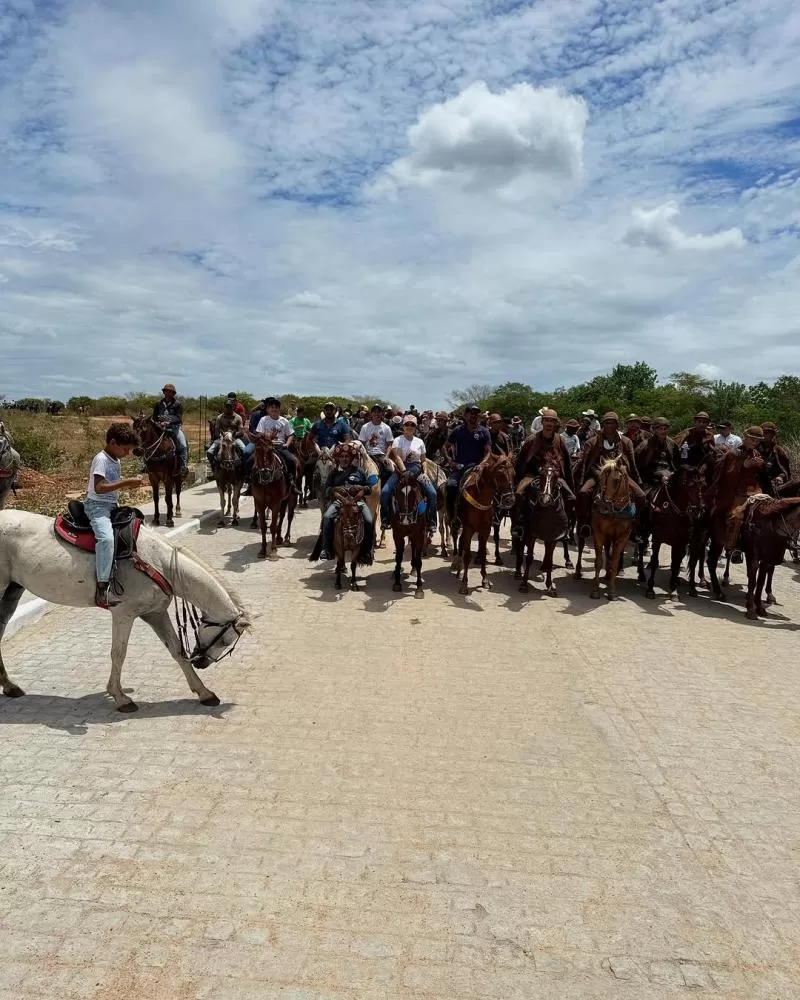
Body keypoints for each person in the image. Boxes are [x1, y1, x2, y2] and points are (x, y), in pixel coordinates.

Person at [84, 423, 146, 609]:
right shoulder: (101, 459)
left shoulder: (115, 460)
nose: (127, 454)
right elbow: (99, 487)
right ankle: (102, 587)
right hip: (97, 506)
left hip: (111, 505)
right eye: (125, 449)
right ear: (113, 443)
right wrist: (126, 483)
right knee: (106, 540)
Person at [706, 426, 774, 556]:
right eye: (752, 440)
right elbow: (727, 474)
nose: (755, 443)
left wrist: (761, 467)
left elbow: (761, 476)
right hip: (737, 492)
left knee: (769, 513)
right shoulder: (733, 453)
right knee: (736, 516)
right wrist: (743, 466)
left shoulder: (756, 454)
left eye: (757, 441)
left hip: (755, 491)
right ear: (745, 438)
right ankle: (732, 546)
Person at [577, 411, 645, 536]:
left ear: (617, 425)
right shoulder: (592, 442)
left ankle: (635, 527)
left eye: (612, 423)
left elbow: (632, 463)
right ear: (603, 425)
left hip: (620, 475)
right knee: (583, 493)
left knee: (641, 496)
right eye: (607, 423)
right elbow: (586, 463)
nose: (609, 426)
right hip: (597, 473)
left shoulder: (626, 442)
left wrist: (637, 479)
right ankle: (585, 523)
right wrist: (587, 477)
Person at [512, 409, 573, 538]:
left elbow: (567, 463)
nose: (549, 423)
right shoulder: (531, 440)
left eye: (552, 421)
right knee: (519, 493)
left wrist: (569, 482)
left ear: (555, 423)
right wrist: (517, 479)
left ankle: (565, 525)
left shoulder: (560, 440)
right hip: (533, 474)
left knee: (571, 497)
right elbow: (521, 461)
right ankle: (520, 522)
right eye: (546, 420)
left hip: (554, 475)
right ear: (542, 422)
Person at [380, 415, 438, 535]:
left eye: (412, 425)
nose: (410, 427)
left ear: (416, 427)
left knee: (432, 493)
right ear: (403, 426)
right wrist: (404, 472)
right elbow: (397, 458)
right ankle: (386, 519)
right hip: (401, 471)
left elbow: (423, 460)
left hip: (416, 470)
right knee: (385, 492)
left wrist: (426, 473)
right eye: (407, 424)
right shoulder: (398, 440)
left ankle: (432, 521)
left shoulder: (419, 441)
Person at [319, 444, 373, 560]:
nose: (344, 459)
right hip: (339, 502)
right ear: (338, 458)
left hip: (357, 502)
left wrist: (361, 489)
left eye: (347, 456)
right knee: (327, 517)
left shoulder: (360, 472)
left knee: (369, 520)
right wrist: (334, 490)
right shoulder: (334, 473)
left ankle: (367, 551)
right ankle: (326, 549)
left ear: (350, 458)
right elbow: (326, 490)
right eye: (342, 456)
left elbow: (369, 488)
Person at [445, 404, 492, 524]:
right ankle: (452, 517)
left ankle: (493, 517)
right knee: (450, 486)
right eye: (471, 413)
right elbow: (445, 447)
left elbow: (488, 453)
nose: (474, 416)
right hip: (460, 467)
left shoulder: (484, 431)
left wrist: (481, 465)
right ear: (465, 416)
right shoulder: (457, 431)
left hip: (477, 468)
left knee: (493, 486)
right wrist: (450, 461)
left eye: (476, 414)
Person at [253, 397, 299, 488]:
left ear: (279, 409)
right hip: (265, 446)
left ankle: (292, 484)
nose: (274, 409)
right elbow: (259, 433)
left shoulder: (284, 421)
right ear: (268, 409)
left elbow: (291, 434)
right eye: (272, 407)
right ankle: (251, 484)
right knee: (251, 461)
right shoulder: (263, 420)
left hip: (280, 446)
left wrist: (287, 444)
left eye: (276, 407)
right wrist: (266, 436)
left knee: (291, 461)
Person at [153, 383, 188, 472]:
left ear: (173, 393)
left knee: (182, 445)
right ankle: (146, 464)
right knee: (149, 442)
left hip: (174, 428)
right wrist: (157, 423)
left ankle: (183, 466)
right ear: (164, 392)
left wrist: (169, 422)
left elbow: (178, 418)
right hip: (161, 429)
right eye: (166, 391)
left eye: (170, 392)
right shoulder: (159, 404)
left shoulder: (177, 404)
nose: (167, 394)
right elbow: (154, 416)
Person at [358, 404, 394, 483]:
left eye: (379, 412)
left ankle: (389, 492)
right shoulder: (365, 427)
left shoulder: (387, 428)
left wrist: (386, 457)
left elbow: (389, 445)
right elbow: (361, 443)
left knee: (390, 470)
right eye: (374, 412)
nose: (376, 414)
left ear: (382, 414)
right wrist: (364, 455)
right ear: (371, 414)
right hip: (367, 455)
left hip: (381, 455)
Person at [206, 400, 246, 466]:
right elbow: (217, 431)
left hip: (234, 438)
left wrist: (232, 435)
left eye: (230, 407)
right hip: (221, 438)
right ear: (224, 407)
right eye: (227, 407)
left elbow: (241, 431)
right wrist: (222, 436)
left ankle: (243, 468)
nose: (228, 409)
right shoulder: (219, 417)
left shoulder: (238, 418)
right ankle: (213, 466)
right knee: (210, 452)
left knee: (244, 450)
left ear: (233, 407)